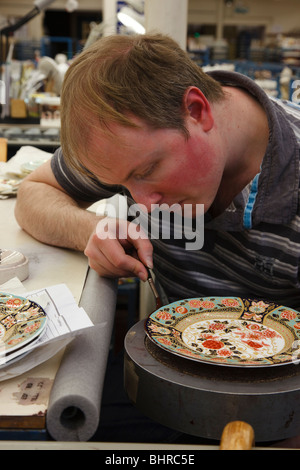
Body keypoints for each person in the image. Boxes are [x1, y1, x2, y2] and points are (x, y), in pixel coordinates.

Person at [15, 32, 300, 311]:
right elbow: (33, 194)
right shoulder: (125, 141)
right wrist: (90, 229)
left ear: (197, 110)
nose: (144, 205)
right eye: (123, 186)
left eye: (148, 170)